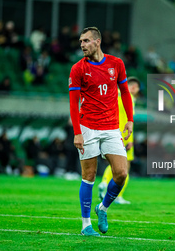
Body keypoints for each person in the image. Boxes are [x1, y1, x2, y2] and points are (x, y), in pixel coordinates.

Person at [68, 27, 133, 237]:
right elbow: (73, 102)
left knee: (122, 173)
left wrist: (130, 120)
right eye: (80, 42)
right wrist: (77, 132)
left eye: (86, 41)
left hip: (112, 127)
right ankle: (86, 225)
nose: (82, 45)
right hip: (88, 128)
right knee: (89, 175)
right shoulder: (78, 69)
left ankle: (102, 208)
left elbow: (125, 92)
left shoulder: (116, 64)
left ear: (97, 42)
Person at [98, 77, 140, 204]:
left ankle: (104, 182)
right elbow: (129, 120)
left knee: (113, 164)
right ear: (132, 87)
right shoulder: (130, 99)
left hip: (112, 132)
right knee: (125, 167)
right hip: (125, 136)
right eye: (137, 88)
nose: (137, 90)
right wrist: (130, 139)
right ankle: (118, 196)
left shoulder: (114, 94)